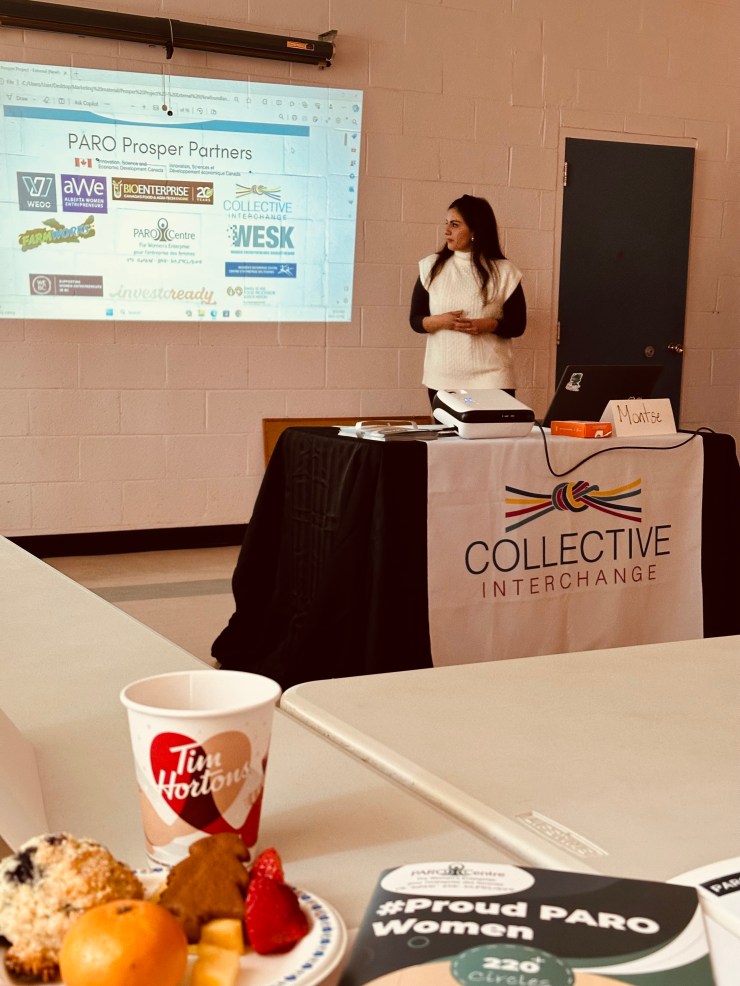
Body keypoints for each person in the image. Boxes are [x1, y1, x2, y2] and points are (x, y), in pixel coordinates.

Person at [409, 194, 527, 407]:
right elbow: (415, 320)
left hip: (493, 378)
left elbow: (518, 325)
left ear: (475, 231)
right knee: (450, 431)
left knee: (496, 430)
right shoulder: (431, 267)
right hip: (443, 379)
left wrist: (490, 325)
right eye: (446, 223)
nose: (446, 231)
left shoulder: (505, 272)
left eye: (454, 225)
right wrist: (440, 321)